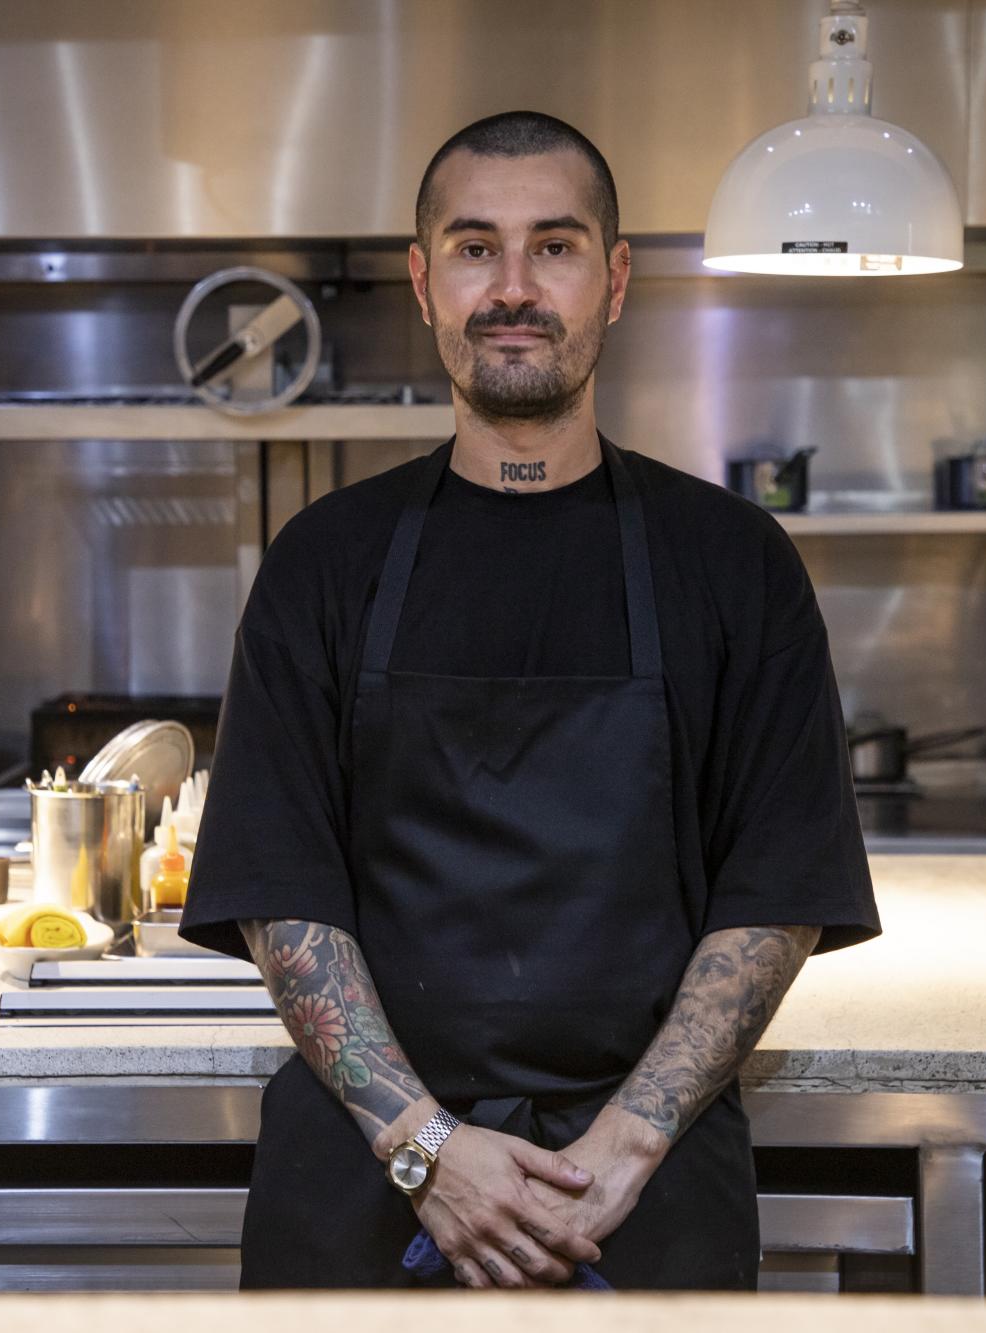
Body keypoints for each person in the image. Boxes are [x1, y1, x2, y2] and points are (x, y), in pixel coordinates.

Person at [180, 110, 880, 1291]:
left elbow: (772, 894)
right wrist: (425, 1148)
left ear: (613, 281)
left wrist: (622, 1146)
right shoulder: (322, 562)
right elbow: (283, 900)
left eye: (552, 246)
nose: (512, 287)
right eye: (473, 248)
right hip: (366, 1180)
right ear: (422, 281)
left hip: (637, 1195)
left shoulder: (731, 562)